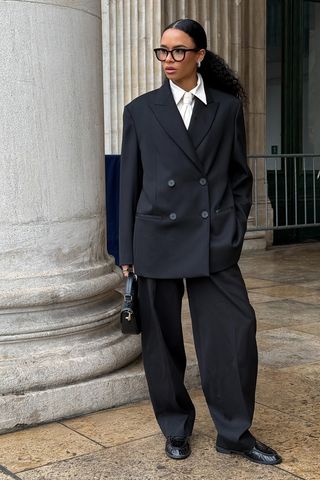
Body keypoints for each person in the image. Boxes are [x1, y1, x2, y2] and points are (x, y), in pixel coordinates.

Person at [119, 18, 281, 466]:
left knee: (233, 333)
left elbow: (238, 178)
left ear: (199, 56)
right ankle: (175, 428)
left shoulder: (226, 108)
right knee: (162, 342)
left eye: (177, 51)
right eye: (163, 52)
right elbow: (129, 183)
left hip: (212, 241)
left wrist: (231, 229)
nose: (168, 60)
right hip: (156, 238)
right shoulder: (141, 109)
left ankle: (233, 431)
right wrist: (126, 253)